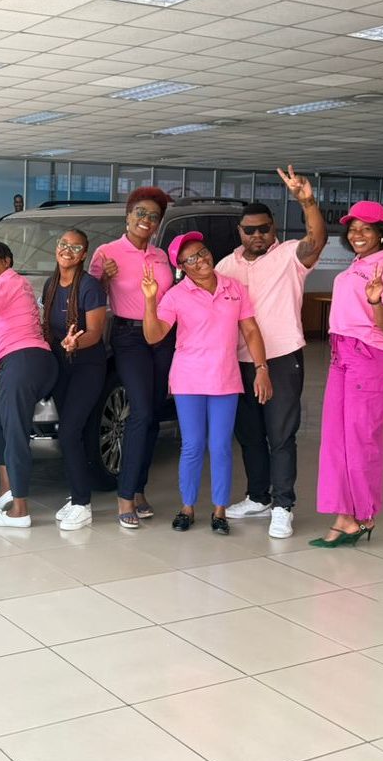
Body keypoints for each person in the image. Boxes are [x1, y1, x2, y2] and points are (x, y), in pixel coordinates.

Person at [216, 166, 328, 539]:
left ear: (273, 228)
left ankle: (283, 506)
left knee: (280, 434)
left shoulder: (289, 256)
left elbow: (316, 241)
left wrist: (307, 202)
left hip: (281, 358)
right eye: (250, 230)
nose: (258, 235)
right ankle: (258, 497)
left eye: (264, 228)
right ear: (240, 232)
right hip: (238, 361)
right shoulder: (225, 266)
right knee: (249, 435)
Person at [142, 232, 272, 535]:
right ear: (182, 267)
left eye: (202, 252)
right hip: (188, 379)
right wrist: (149, 300)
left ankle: (219, 510)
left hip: (225, 378)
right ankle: (187, 507)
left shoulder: (234, 287)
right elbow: (153, 335)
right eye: (191, 259)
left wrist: (261, 367)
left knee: (221, 446)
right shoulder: (176, 295)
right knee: (193, 445)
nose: (200, 260)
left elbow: (251, 331)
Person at [310, 201, 383, 548]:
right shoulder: (358, 264)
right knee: (336, 440)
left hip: (369, 356)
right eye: (353, 229)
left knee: (360, 440)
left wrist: (377, 301)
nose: (357, 234)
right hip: (342, 354)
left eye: (366, 228)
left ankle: (363, 514)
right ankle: (344, 516)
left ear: (382, 233)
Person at [89, 187, 174, 529]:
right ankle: (125, 496)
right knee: (140, 410)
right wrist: (103, 278)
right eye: (141, 213)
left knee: (153, 413)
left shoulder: (161, 256)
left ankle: (138, 489)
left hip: (162, 335)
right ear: (127, 216)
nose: (146, 220)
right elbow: (91, 297)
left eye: (153, 216)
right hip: (129, 337)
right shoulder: (106, 252)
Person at [0, 240, 58, 528]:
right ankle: (7, 488)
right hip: (37, 361)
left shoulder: (4, 282)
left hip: (21, 361)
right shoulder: (17, 283)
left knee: (15, 432)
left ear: (7, 261)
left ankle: (20, 509)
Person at [43, 230, 107, 531]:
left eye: (75, 247)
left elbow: (94, 332)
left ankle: (82, 504)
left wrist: (74, 343)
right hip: (61, 367)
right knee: (71, 433)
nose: (67, 250)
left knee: (69, 432)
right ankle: (77, 495)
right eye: (63, 245)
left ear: (84, 254)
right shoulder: (51, 283)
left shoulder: (90, 286)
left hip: (87, 367)